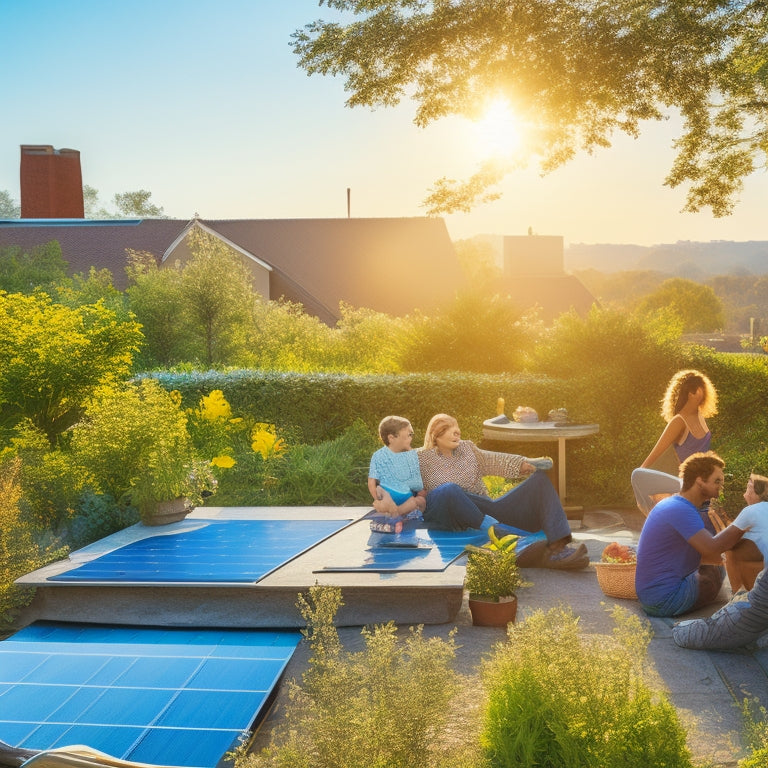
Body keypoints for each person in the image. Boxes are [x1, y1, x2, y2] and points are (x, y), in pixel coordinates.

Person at [413, 413, 588, 570]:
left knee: (541, 480)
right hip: (448, 514)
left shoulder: (468, 449)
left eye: (456, 428)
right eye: (447, 429)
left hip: (482, 509)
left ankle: (559, 550)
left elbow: (494, 460)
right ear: (435, 434)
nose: (456, 432)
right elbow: (399, 484)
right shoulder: (420, 458)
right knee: (449, 490)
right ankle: (504, 535)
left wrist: (524, 463)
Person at [635, 451, 747, 617]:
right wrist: (745, 520)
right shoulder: (681, 509)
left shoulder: (674, 503)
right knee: (717, 570)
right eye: (717, 481)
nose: (720, 486)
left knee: (715, 556)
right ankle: (744, 603)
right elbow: (712, 550)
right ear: (700, 481)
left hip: (650, 597)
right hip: (666, 601)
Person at [631, 369, 718, 517]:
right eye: (697, 390)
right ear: (689, 394)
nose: (701, 393)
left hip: (702, 483)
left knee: (638, 476)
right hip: (688, 483)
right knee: (637, 474)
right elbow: (656, 453)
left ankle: (659, 518)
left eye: (702, 389)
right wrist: (642, 473)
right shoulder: (678, 421)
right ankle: (655, 518)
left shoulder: (700, 417)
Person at [367, 416, 426, 531]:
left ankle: (395, 515)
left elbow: (371, 482)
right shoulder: (380, 456)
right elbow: (418, 484)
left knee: (416, 501)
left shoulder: (378, 455)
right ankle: (397, 516)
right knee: (417, 501)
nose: (411, 438)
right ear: (391, 438)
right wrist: (380, 500)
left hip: (402, 499)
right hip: (390, 497)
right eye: (408, 435)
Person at [723, 474, 768, 592]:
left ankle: (737, 594)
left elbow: (726, 538)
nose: (746, 487)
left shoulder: (750, 511)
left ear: (758, 492)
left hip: (762, 559)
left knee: (730, 552)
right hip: (761, 557)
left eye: (749, 486)